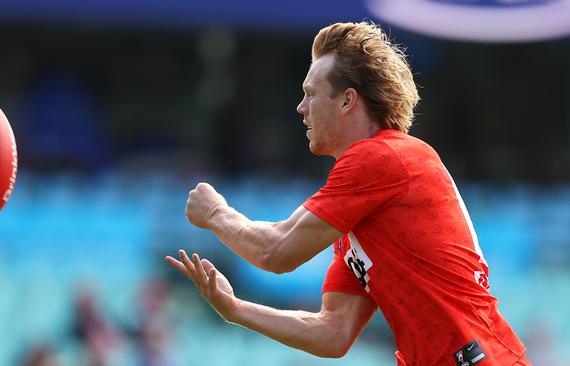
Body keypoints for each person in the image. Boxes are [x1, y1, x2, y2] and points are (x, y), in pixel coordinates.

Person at [165, 22, 530, 366]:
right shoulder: (360, 213)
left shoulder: (380, 157)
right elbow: (333, 333)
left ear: (346, 101)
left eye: (310, 94)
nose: (301, 108)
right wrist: (235, 309)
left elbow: (276, 251)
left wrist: (216, 214)